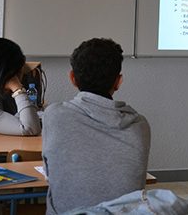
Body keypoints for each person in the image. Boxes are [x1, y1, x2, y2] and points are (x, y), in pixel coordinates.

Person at [42, 38, 150, 214]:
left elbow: (50, 172)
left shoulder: (54, 115)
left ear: (72, 78)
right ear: (118, 81)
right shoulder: (140, 125)